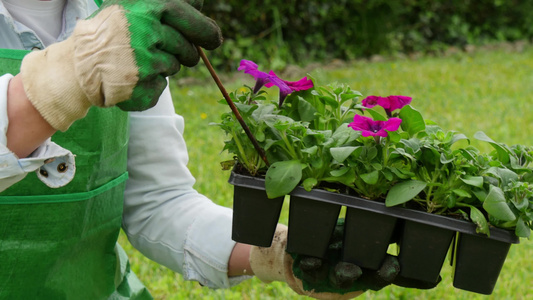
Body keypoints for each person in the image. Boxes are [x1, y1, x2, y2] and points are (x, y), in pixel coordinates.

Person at [0, 0, 438, 299]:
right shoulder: (111, 37)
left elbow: (158, 203)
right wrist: (69, 77)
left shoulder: (117, 16)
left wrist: (276, 253)